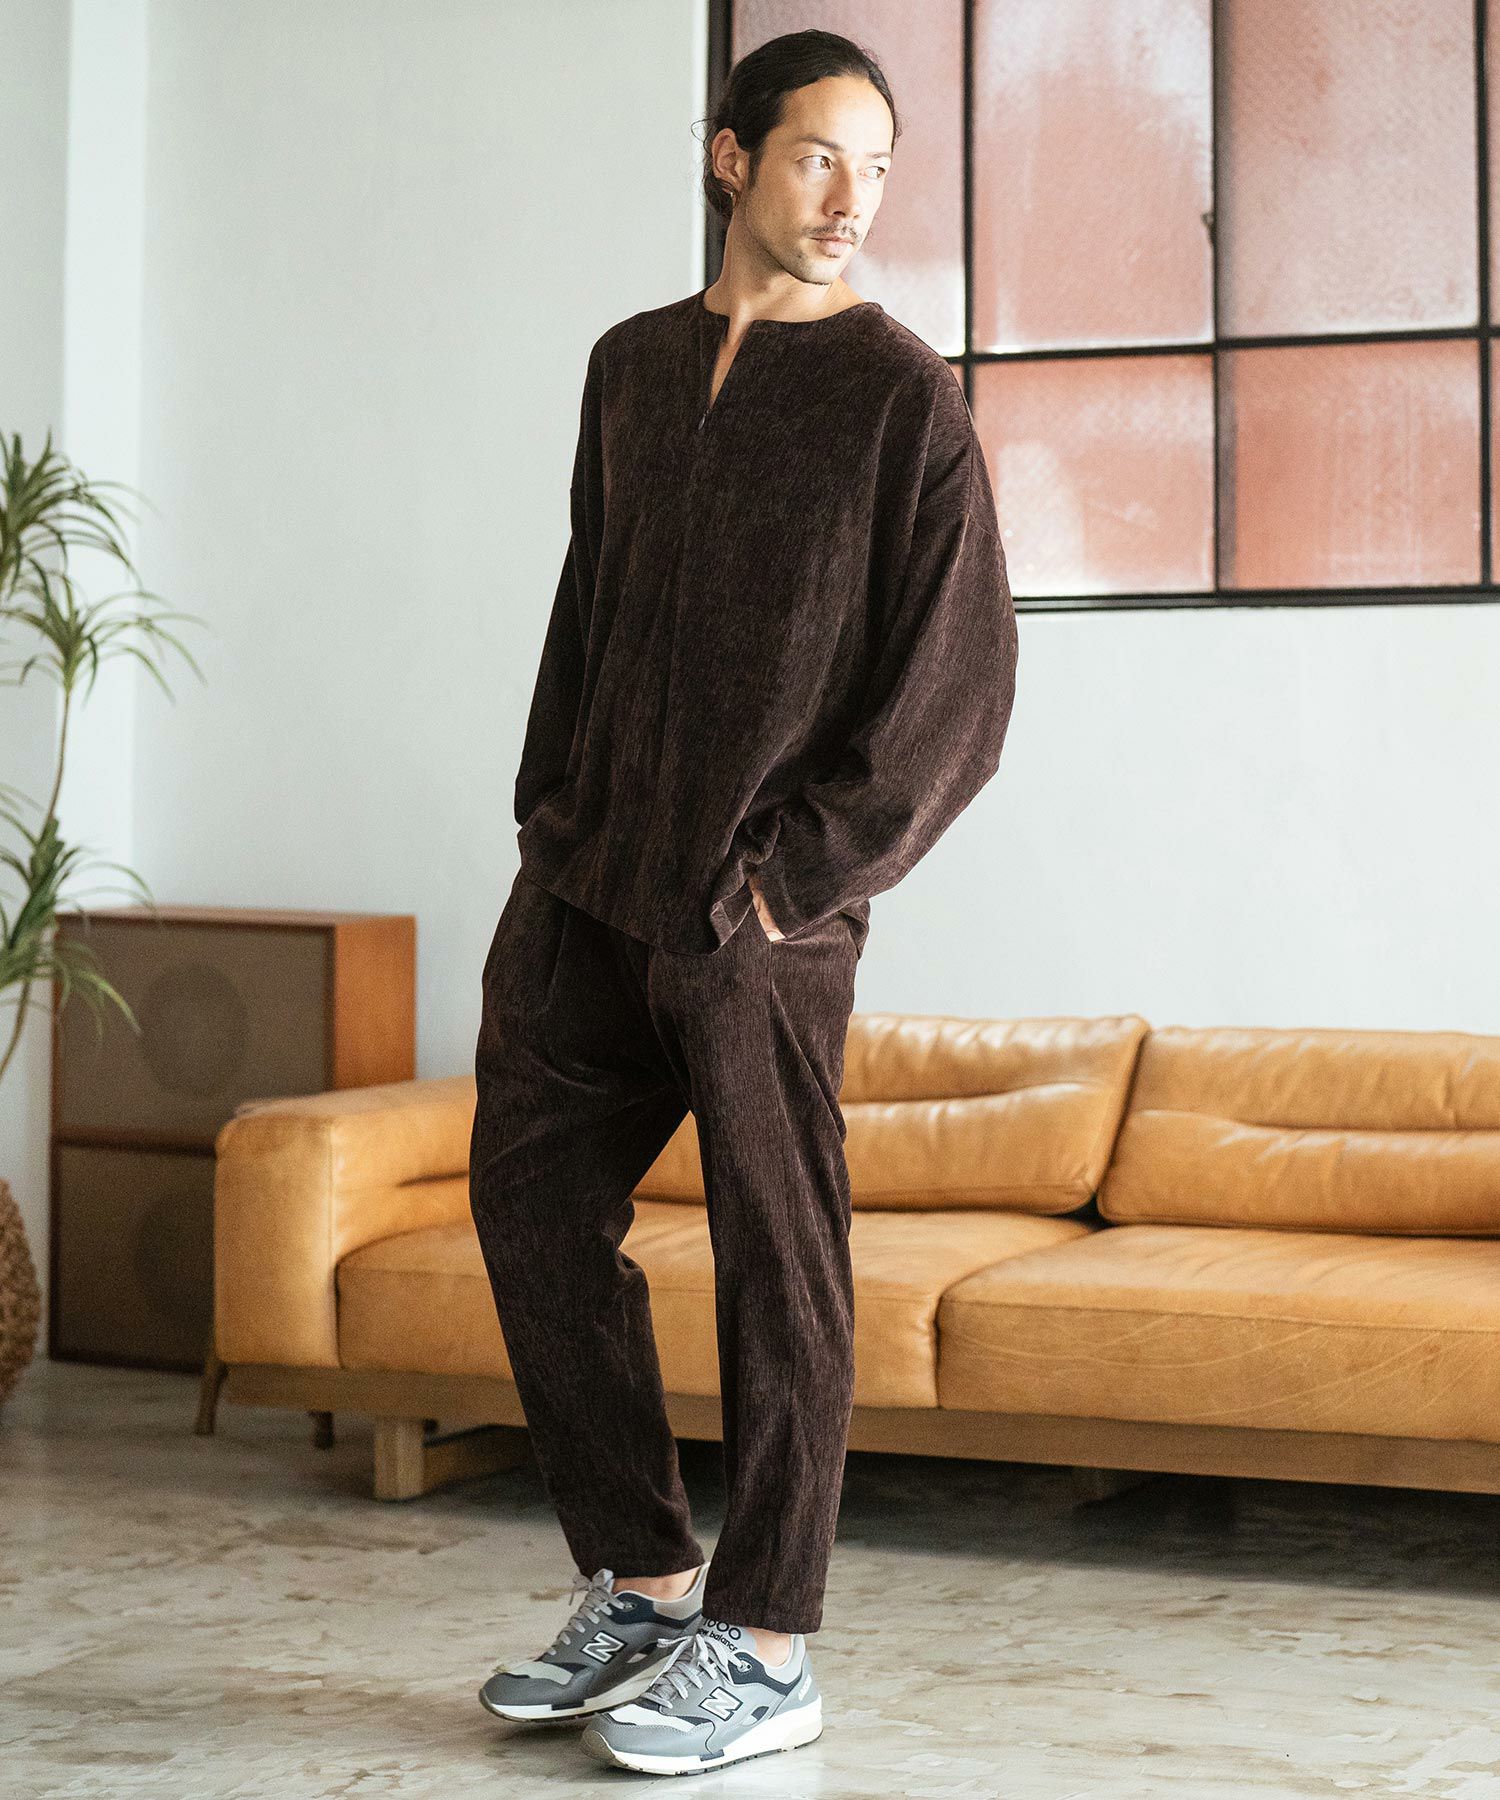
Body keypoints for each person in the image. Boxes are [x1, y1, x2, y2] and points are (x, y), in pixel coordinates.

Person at [469, 26, 1018, 1778]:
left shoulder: (901, 398)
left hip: (751, 916)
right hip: (586, 887)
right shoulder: (630, 368)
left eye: (877, 166)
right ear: (731, 157)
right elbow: (588, 600)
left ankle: (769, 1643)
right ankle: (644, 1582)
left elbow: (960, 687)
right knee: (530, 1200)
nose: (853, 197)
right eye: (816, 156)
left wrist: (792, 885)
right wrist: (549, 815)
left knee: (781, 1259)